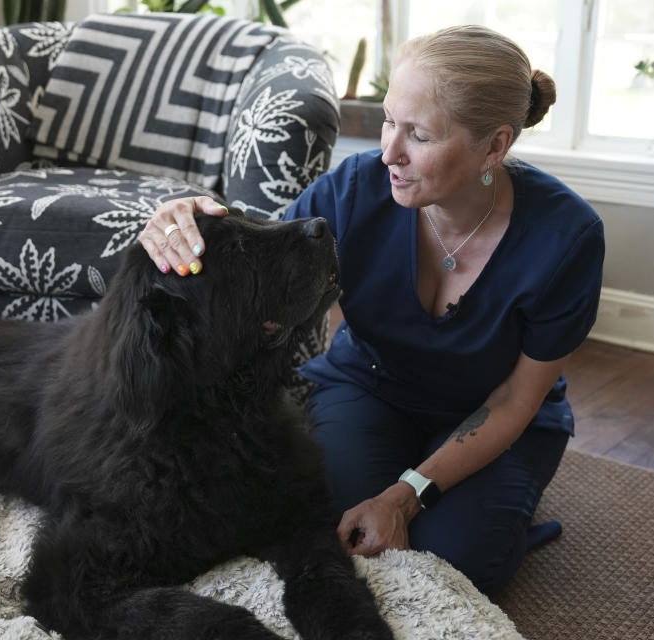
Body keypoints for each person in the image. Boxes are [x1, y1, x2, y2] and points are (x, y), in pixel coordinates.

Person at [137, 24, 605, 594]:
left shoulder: (567, 237)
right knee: (325, 518)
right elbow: (261, 250)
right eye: (388, 120)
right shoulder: (357, 187)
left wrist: (403, 498)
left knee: (455, 560)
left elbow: (513, 399)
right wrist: (187, 215)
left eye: (420, 135)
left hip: (493, 411)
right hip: (370, 386)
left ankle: (487, 499)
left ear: (495, 145)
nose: (388, 152)